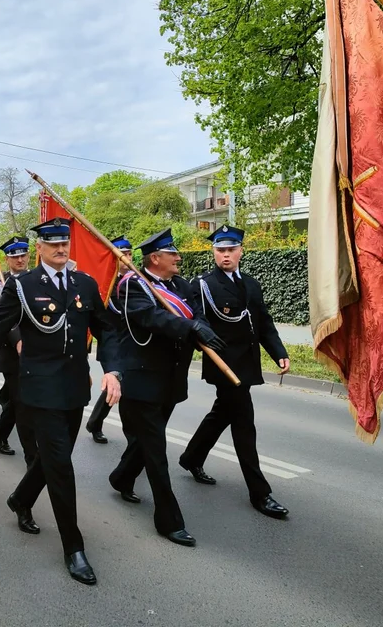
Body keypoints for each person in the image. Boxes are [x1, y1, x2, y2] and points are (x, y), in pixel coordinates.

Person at [0, 217, 122, 585]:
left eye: (65, 243)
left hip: (74, 389)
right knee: (60, 465)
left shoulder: (84, 284)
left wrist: (112, 369)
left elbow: (106, 329)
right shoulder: (23, 287)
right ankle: (74, 547)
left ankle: (21, 498)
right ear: (39, 247)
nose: (61, 249)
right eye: (53, 243)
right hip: (39, 391)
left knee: (52, 459)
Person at [108, 228, 227, 547]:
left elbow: (195, 312)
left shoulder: (181, 285)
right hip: (142, 380)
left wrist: (201, 328)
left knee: (148, 441)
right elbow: (153, 319)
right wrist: (191, 328)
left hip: (171, 380)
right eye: (172, 253)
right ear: (155, 258)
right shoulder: (132, 286)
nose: (178, 257)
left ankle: (120, 477)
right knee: (157, 451)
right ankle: (168, 521)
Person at [179, 225, 291, 519]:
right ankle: (260, 493)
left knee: (222, 414)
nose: (225, 255)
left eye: (230, 250)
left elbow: (263, 323)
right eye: (220, 250)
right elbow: (197, 320)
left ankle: (191, 457)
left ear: (241, 251)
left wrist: (279, 352)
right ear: (213, 252)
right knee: (244, 424)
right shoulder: (202, 284)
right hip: (223, 364)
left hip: (247, 362)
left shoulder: (251, 284)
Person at [0, 236, 36, 463]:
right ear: (7, 259)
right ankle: (31, 456)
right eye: (15, 256)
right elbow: (2, 320)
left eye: (24, 255)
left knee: (20, 403)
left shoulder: (38, 280)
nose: (21, 260)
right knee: (22, 404)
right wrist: (17, 340)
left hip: (37, 352)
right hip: (11, 353)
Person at [85, 235, 134, 444]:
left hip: (132, 345)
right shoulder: (105, 285)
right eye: (121, 255)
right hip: (111, 344)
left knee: (126, 388)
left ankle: (97, 422)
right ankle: (97, 423)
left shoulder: (138, 282)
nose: (126, 259)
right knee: (114, 385)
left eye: (129, 254)